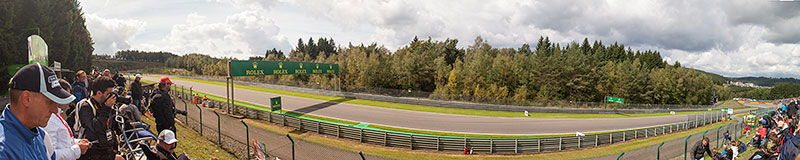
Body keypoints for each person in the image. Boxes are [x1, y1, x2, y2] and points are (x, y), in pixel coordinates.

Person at [0, 63, 75, 159]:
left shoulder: (39, 134)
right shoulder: (4, 151)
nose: (55, 110)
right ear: (27, 99)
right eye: (49, 102)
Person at [75, 76, 123, 160]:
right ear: (99, 93)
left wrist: (115, 146)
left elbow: (110, 128)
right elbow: (96, 128)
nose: (111, 97)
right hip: (92, 152)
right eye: (108, 94)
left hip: (106, 149)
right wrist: (106, 109)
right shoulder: (86, 107)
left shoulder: (106, 106)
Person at [44, 79, 93, 160]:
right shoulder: (49, 119)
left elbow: (63, 141)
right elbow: (51, 154)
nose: (68, 101)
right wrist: (78, 149)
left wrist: (78, 142)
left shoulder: (57, 115)